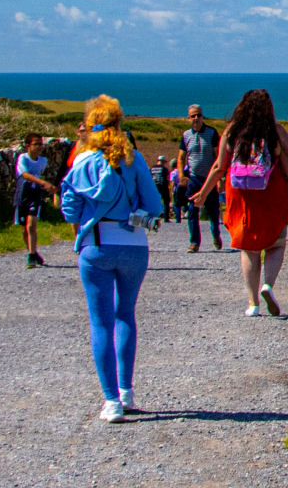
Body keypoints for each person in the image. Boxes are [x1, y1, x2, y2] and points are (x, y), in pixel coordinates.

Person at [59, 97, 163, 423]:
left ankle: (111, 401)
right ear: (119, 125)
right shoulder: (134, 158)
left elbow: (69, 210)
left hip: (97, 244)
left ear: (90, 128)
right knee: (125, 315)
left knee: (100, 321)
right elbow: (155, 206)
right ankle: (127, 391)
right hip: (134, 245)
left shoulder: (83, 161)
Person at [192, 89, 288, 317]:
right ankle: (268, 285)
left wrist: (203, 192)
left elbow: (219, 167)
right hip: (271, 193)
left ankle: (253, 303)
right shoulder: (276, 132)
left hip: (241, 195)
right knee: (276, 243)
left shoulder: (232, 131)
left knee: (249, 249)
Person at [174, 103, 223, 252]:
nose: (196, 118)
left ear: (202, 117)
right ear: (188, 118)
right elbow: (181, 157)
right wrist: (181, 176)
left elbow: (218, 156)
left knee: (213, 212)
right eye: (193, 116)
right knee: (192, 211)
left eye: (198, 115)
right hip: (194, 179)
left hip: (210, 178)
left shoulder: (211, 133)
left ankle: (216, 235)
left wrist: (219, 179)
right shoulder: (186, 136)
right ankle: (194, 242)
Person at [15, 133, 55, 269]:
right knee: (24, 228)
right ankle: (33, 252)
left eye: (40, 144)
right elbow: (25, 174)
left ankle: (31, 256)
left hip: (35, 195)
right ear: (28, 145)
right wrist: (42, 183)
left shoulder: (43, 161)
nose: (39, 147)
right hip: (22, 195)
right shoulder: (23, 159)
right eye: (36, 144)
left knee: (31, 225)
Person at [149, 156, 172, 221]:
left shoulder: (152, 168)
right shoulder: (164, 169)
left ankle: (153, 216)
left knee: (154, 201)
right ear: (163, 162)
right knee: (166, 202)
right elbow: (168, 178)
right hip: (163, 187)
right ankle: (166, 218)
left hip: (154, 187)